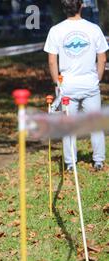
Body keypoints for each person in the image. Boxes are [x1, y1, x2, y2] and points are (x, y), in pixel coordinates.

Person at [44, 0, 108, 171]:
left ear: (63, 8)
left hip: (67, 86)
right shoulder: (94, 29)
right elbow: (102, 58)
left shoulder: (55, 30)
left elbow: (52, 61)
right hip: (90, 84)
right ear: (81, 6)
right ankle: (99, 160)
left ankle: (71, 163)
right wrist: (98, 78)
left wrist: (57, 83)